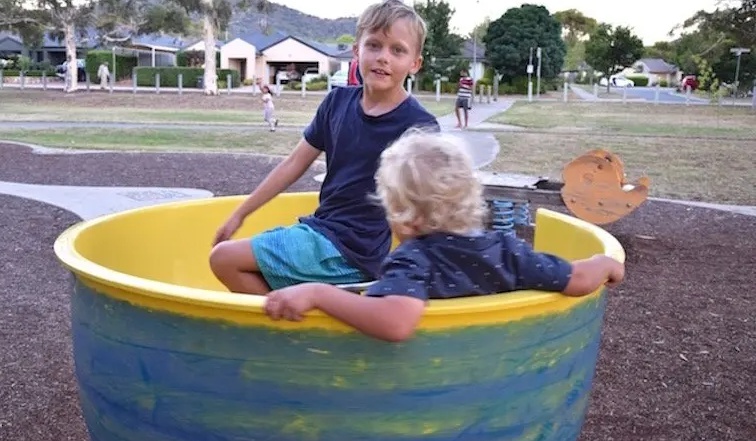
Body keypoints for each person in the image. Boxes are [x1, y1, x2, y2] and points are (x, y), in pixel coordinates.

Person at [263, 129, 626, 342]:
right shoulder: (507, 250)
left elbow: (396, 322)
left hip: (423, 381)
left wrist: (317, 292)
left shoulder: (414, 260)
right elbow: (577, 279)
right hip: (498, 370)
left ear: (406, 217)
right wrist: (604, 263)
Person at [209, 0, 440, 294]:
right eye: (374, 45)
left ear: (414, 64)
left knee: (224, 258)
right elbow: (294, 164)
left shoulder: (419, 127)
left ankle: (290, 335)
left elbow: (428, 205)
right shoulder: (336, 103)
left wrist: (416, 270)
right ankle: (302, 324)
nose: (383, 57)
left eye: (398, 50)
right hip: (321, 234)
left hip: (354, 250)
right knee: (247, 268)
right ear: (356, 51)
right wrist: (240, 214)